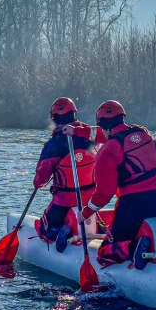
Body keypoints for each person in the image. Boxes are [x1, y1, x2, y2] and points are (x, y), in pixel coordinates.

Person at [81, 100, 156, 265]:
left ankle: (133, 248)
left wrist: (85, 213)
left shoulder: (108, 149)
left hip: (133, 205)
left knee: (105, 254)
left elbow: (104, 193)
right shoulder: (142, 132)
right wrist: (77, 131)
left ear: (102, 126)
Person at [32, 97, 99, 252]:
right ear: (74, 114)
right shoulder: (91, 135)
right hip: (91, 199)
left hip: (64, 200)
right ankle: (90, 229)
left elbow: (40, 181)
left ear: (54, 118)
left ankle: (61, 229)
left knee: (46, 229)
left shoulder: (53, 145)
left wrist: (40, 181)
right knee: (96, 220)